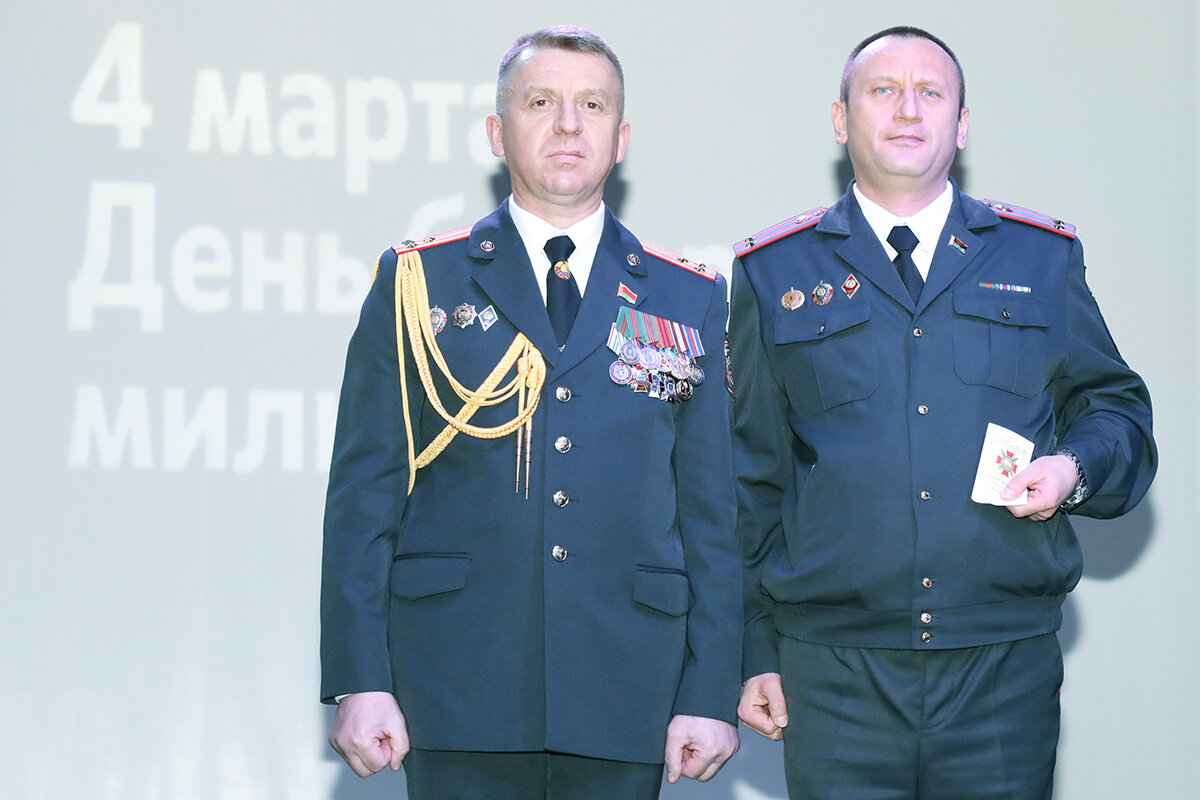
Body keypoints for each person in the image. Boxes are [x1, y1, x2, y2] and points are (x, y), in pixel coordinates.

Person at [729, 26, 1156, 800]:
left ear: (961, 126)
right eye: (882, 90)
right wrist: (756, 648)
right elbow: (749, 479)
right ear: (841, 119)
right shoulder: (773, 270)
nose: (907, 109)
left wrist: (1073, 468)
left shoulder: (1040, 257)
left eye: (930, 92)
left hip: (1000, 669)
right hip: (833, 673)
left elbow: (1117, 412)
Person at [320, 25, 740, 799]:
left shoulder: (687, 296)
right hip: (456, 684)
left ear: (621, 139)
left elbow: (713, 516)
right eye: (541, 103)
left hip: (628, 688)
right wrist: (359, 678)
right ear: (496, 132)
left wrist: (711, 690)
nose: (569, 125)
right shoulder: (419, 284)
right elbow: (363, 501)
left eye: (593, 106)